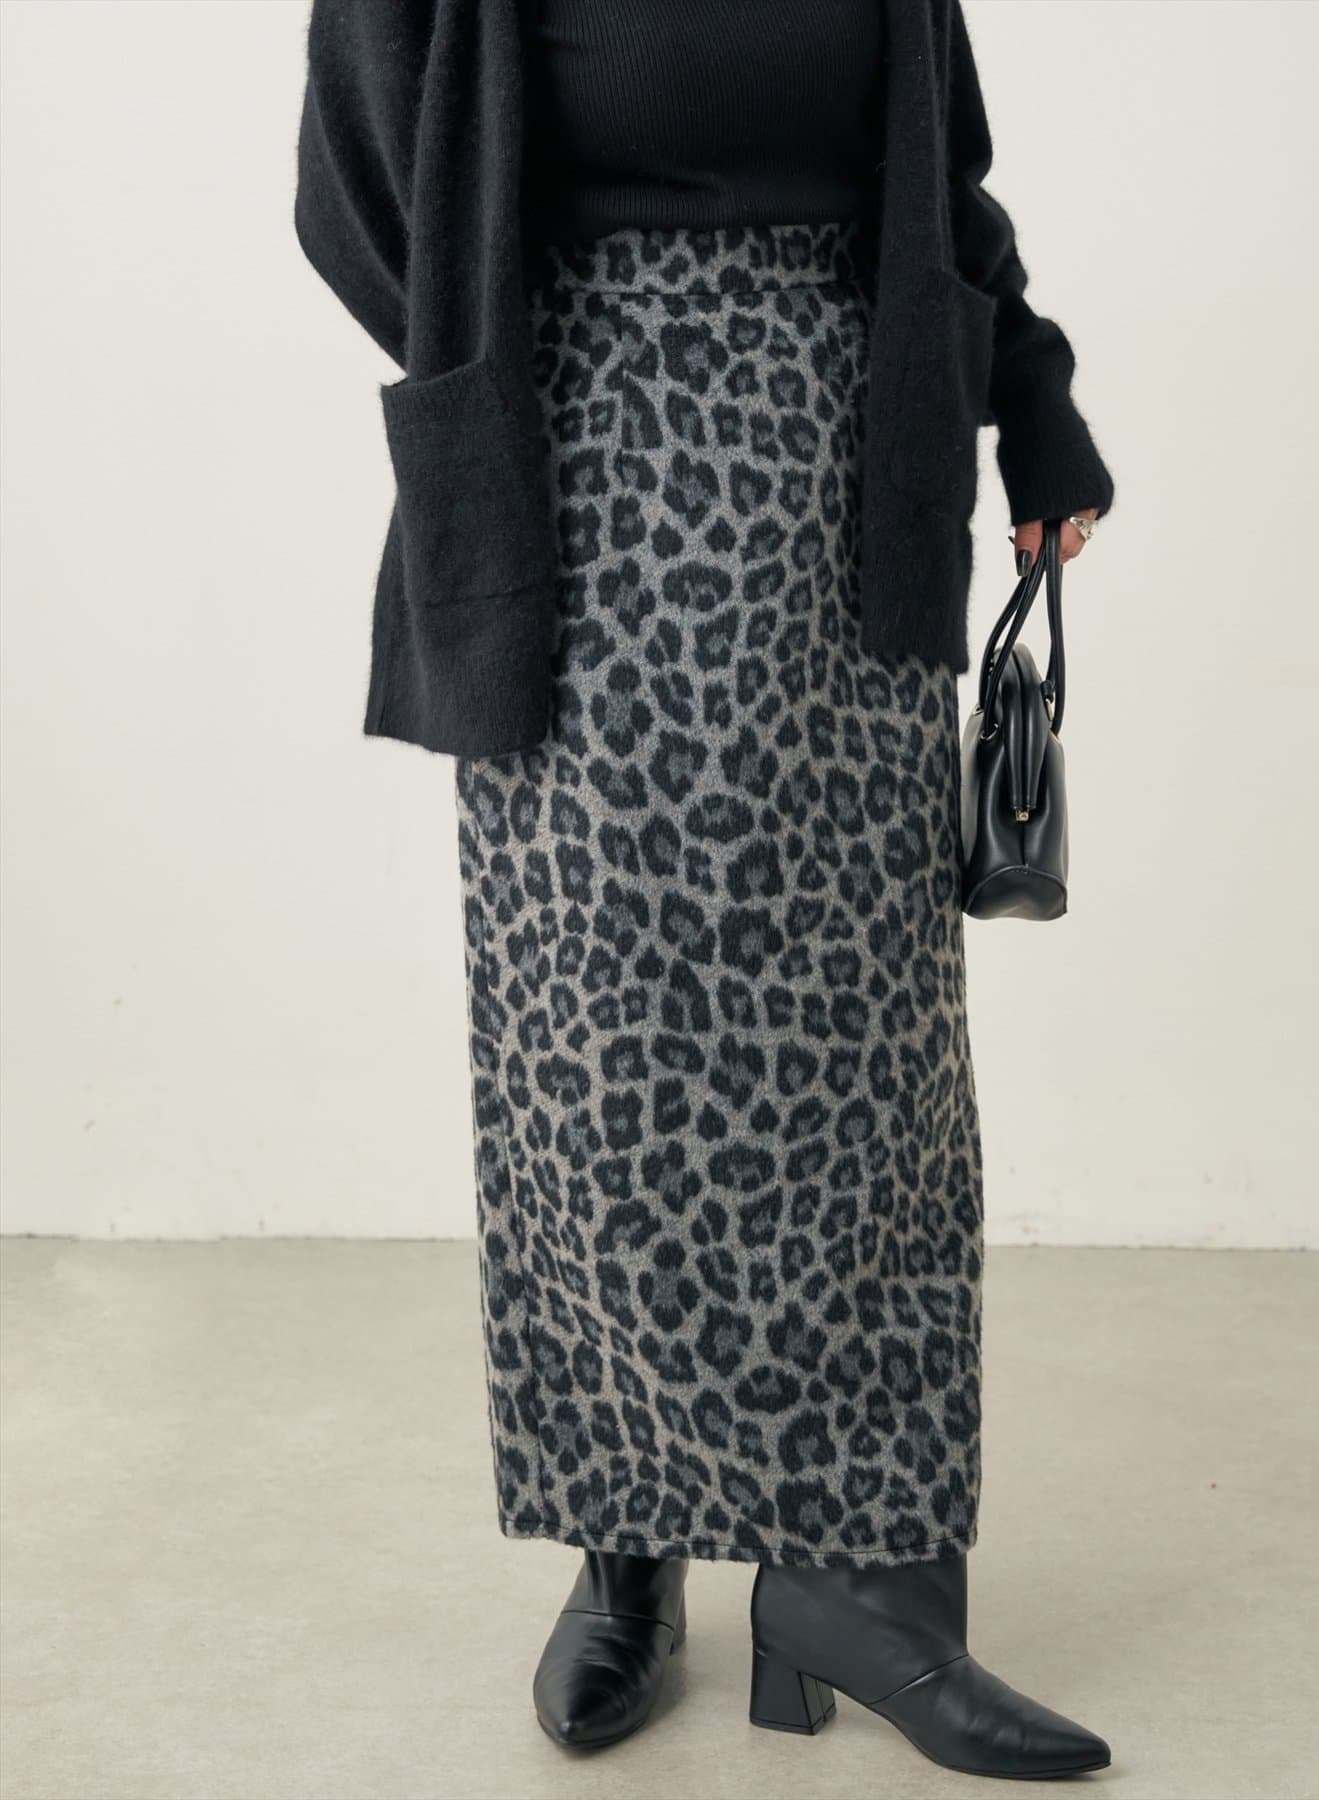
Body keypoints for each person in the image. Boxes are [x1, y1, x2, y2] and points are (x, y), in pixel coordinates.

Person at [296, 0, 1114, 1779]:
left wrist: (1033, 396)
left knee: (863, 1061)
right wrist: (499, 358)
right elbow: (356, 189)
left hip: (847, 487)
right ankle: (629, 1539)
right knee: (599, 1045)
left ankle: (867, 1586)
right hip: (574, 494)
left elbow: (942, 180)